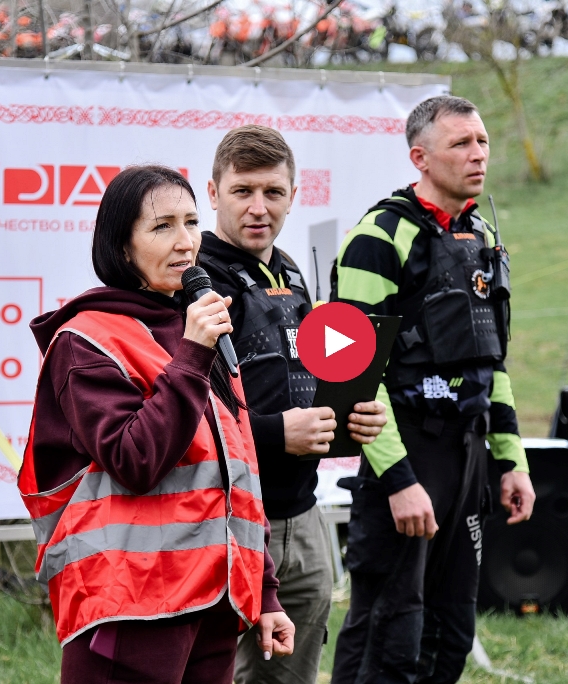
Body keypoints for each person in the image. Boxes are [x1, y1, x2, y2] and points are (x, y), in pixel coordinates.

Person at [17, 165, 295, 684]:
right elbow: (135, 460)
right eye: (162, 226)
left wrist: (266, 592)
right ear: (123, 248)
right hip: (130, 605)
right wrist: (191, 356)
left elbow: (237, 473)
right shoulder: (86, 340)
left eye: (191, 222)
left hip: (215, 601)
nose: (186, 241)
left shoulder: (200, 332)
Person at [330, 96, 537, 684]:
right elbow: (351, 373)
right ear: (420, 157)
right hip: (406, 456)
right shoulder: (378, 237)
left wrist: (511, 462)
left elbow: (492, 360)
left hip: (467, 460)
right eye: (460, 144)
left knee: (451, 634)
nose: (478, 155)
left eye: (482, 141)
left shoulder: (481, 233)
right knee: (388, 635)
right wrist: (398, 481)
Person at [198, 125, 388, 684]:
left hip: (304, 517)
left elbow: (307, 382)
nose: (259, 208)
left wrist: (352, 415)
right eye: (243, 191)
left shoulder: (290, 270)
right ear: (213, 192)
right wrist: (277, 433)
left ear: (293, 195)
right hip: (223, 521)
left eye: (273, 192)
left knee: (293, 677)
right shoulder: (192, 281)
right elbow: (187, 420)